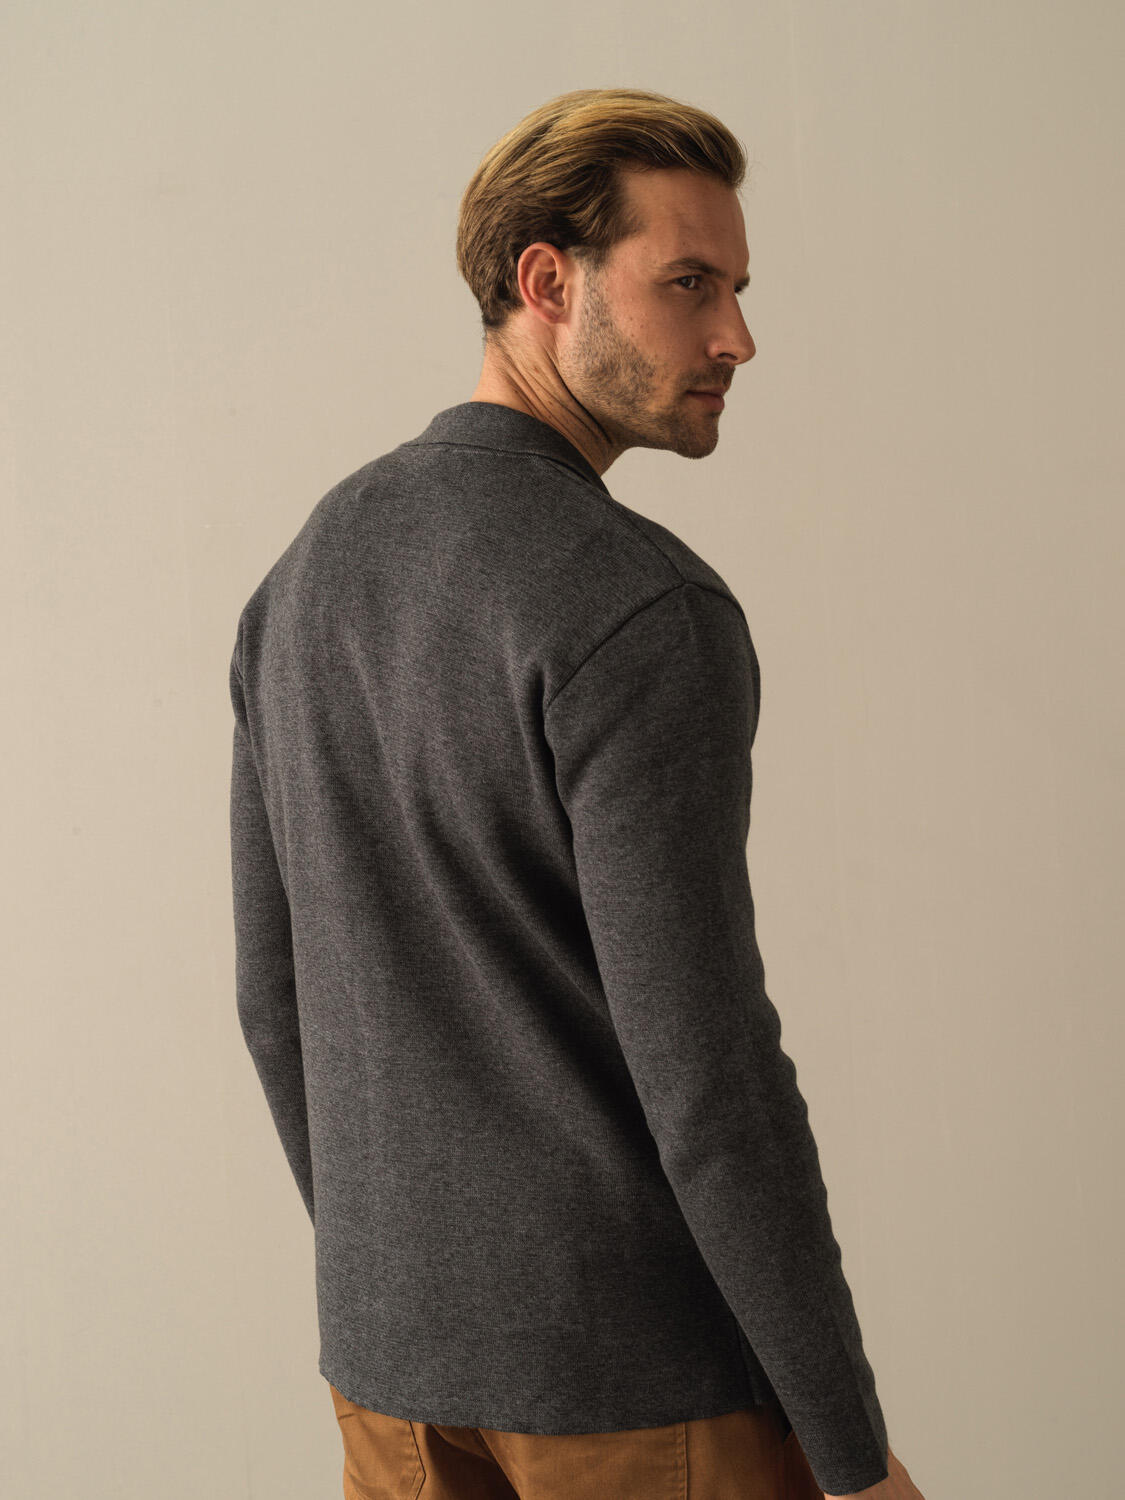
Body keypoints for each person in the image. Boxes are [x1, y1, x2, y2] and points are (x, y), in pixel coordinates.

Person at [228, 86, 927, 1499]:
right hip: (634, 1393)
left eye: (736, 290)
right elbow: (710, 1077)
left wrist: (402, 1290)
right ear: (547, 282)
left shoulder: (307, 572)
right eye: (688, 284)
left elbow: (271, 992)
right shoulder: (635, 607)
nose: (736, 338)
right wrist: (849, 1454)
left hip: (390, 1379)